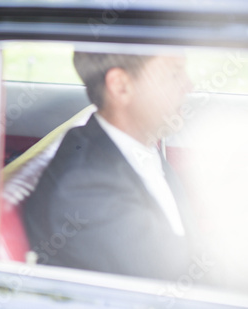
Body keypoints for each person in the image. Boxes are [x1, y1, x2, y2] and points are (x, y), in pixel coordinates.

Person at [24, 51, 199, 281]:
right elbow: (178, 278)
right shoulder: (85, 187)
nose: (189, 85)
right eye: (175, 74)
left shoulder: (139, 145)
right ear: (120, 87)